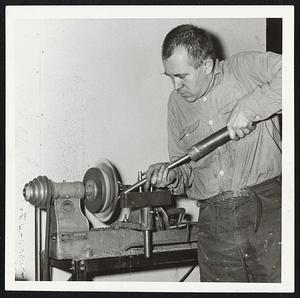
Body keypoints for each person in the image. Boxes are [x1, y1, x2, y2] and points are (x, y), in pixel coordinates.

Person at [146, 24, 282, 282]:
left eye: (182, 76)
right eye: (169, 77)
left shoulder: (243, 69)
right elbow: (183, 169)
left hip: (268, 208)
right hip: (213, 224)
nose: (175, 86)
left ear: (206, 66)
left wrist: (251, 106)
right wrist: (171, 175)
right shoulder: (176, 104)